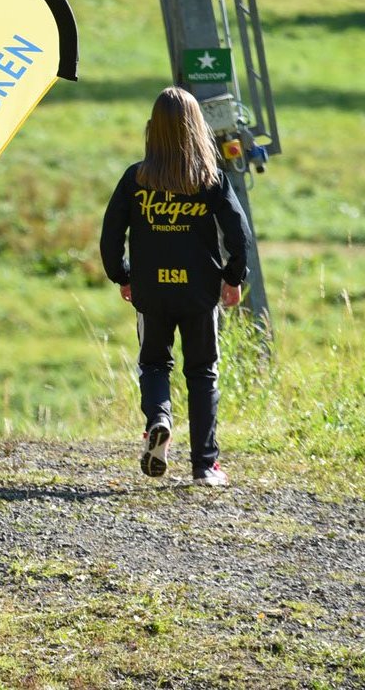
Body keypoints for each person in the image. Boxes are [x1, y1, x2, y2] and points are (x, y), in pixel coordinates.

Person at [99, 87, 250, 489]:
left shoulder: (136, 178)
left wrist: (123, 275)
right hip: (199, 293)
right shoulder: (211, 179)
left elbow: (110, 234)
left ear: (154, 130)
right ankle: (205, 466)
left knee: (154, 364)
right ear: (196, 128)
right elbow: (239, 233)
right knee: (202, 372)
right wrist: (233, 278)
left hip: (152, 291)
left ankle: (159, 421)